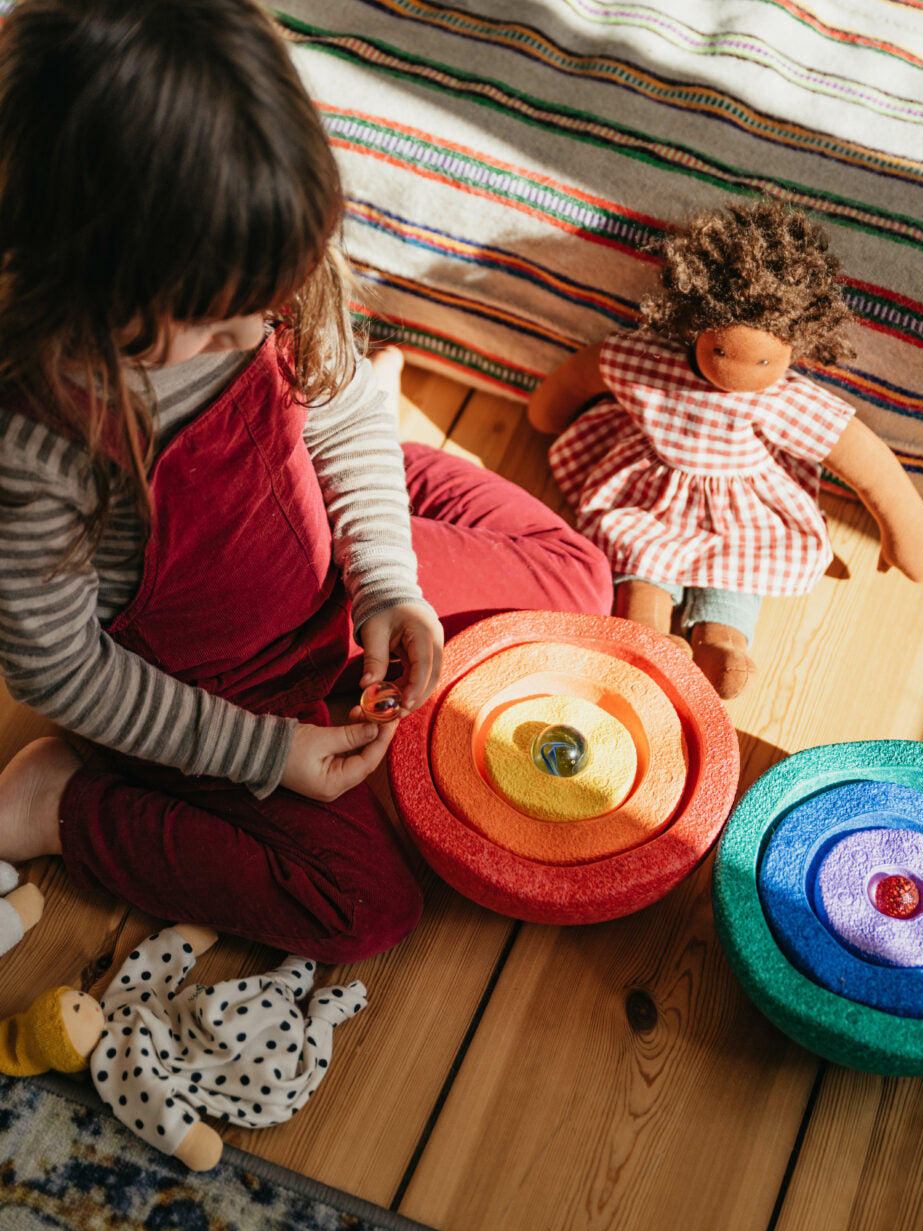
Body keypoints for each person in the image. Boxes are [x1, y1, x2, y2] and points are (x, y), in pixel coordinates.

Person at [0, 0, 611, 963]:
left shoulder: (253, 238)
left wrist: (387, 576)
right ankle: (60, 804)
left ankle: (384, 544)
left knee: (579, 580)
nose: (250, 337)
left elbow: (338, 403)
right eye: (208, 326)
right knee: (363, 906)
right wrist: (264, 753)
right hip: (213, 686)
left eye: (263, 304)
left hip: (317, 539)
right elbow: (58, 666)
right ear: (77, 278)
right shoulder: (42, 438)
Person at [528, 203, 923, 699]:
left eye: (764, 359)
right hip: (650, 491)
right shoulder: (647, 363)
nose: (736, 371)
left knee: (741, 565)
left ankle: (722, 642)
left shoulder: (786, 400)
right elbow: (582, 375)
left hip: (745, 510)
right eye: (720, 350)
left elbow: (867, 465)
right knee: (637, 553)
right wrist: (548, 411)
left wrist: (903, 532)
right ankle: (648, 638)